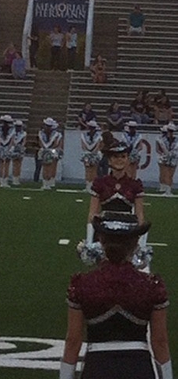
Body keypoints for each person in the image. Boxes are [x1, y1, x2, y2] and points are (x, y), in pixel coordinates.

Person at [60, 212, 172, 379]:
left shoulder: (83, 284)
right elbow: (160, 342)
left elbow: (73, 342)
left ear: (102, 243)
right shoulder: (151, 286)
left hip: (97, 368)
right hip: (139, 369)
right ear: (135, 245)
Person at [86, 137, 147, 249]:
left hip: (127, 234)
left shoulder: (135, 185)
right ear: (109, 160)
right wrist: (89, 241)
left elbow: (140, 215)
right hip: (104, 233)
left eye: (123, 157)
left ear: (128, 160)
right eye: (115, 157)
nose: (120, 160)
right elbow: (92, 214)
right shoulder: (100, 183)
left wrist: (142, 244)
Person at [38, 117, 63, 190]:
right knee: (45, 167)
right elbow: (40, 142)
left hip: (52, 151)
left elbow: (57, 143)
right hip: (45, 150)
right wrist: (44, 149)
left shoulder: (56, 134)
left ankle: (49, 182)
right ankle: (44, 183)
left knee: (51, 167)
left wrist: (51, 150)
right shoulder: (41, 133)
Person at [156, 122, 178, 196]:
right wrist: (163, 154)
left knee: (171, 175)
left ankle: (169, 190)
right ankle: (165, 190)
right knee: (165, 174)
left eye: (172, 131)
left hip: (174, 158)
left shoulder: (176, 140)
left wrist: (174, 154)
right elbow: (158, 149)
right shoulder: (161, 139)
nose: (170, 132)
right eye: (169, 130)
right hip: (164, 158)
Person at [80, 120, 102, 192]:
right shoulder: (84, 135)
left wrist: (93, 153)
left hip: (95, 154)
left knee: (94, 170)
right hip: (87, 154)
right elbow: (83, 145)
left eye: (92, 128)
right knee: (87, 170)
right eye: (90, 127)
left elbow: (98, 146)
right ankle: (87, 186)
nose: (91, 129)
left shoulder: (98, 136)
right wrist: (87, 152)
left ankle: (92, 186)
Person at [0, 115, 14, 187]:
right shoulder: (12, 130)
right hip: (8, 148)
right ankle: (5, 182)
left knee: (0, 164)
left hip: (1, 148)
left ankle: (0, 181)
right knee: (7, 165)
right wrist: (9, 149)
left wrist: (0, 147)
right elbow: (12, 141)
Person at [10, 119, 26, 186]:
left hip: (20, 149)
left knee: (18, 165)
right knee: (14, 164)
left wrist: (20, 148)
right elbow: (11, 141)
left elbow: (24, 141)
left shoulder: (24, 133)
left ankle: (17, 178)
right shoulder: (12, 132)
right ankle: (14, 178)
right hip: (13, 148)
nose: (18, 127)